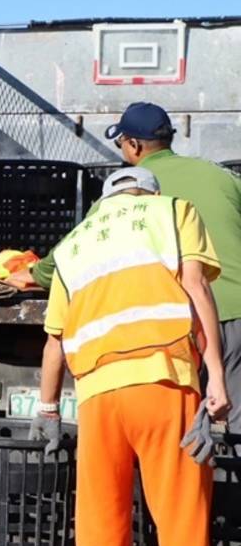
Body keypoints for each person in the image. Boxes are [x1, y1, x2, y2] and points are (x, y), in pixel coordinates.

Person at [33, 167, 230, 546]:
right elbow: (197, 291)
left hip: (98, 397)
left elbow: (54, 341)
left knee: (101, 524)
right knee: (181, 524)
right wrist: (217, 383)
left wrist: (50, 408)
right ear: (148, 192)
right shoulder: (173, 212)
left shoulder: (74, 246)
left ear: (106, 201)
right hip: (164, 383)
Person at [33, 102, 241, 431]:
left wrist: (33, 272)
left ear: (134, 145)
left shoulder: (124, 198)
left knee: (177, 433)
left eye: (121, 145)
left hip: (179, 323)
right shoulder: (221, 176)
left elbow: (70, 253)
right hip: (236, 314)